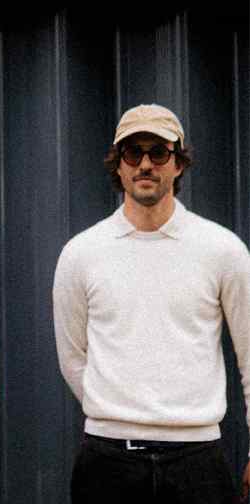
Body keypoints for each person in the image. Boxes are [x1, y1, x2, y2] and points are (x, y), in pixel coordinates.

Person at [53, 103, 250, 503]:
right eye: (133, 153)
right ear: (119, 164)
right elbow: (72, 358)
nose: (145, 164)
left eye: (158, 152)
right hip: (107, 460)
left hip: (198, 461)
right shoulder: (81, 254)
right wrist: (117, 408)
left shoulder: (223, 250)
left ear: (178, 163)